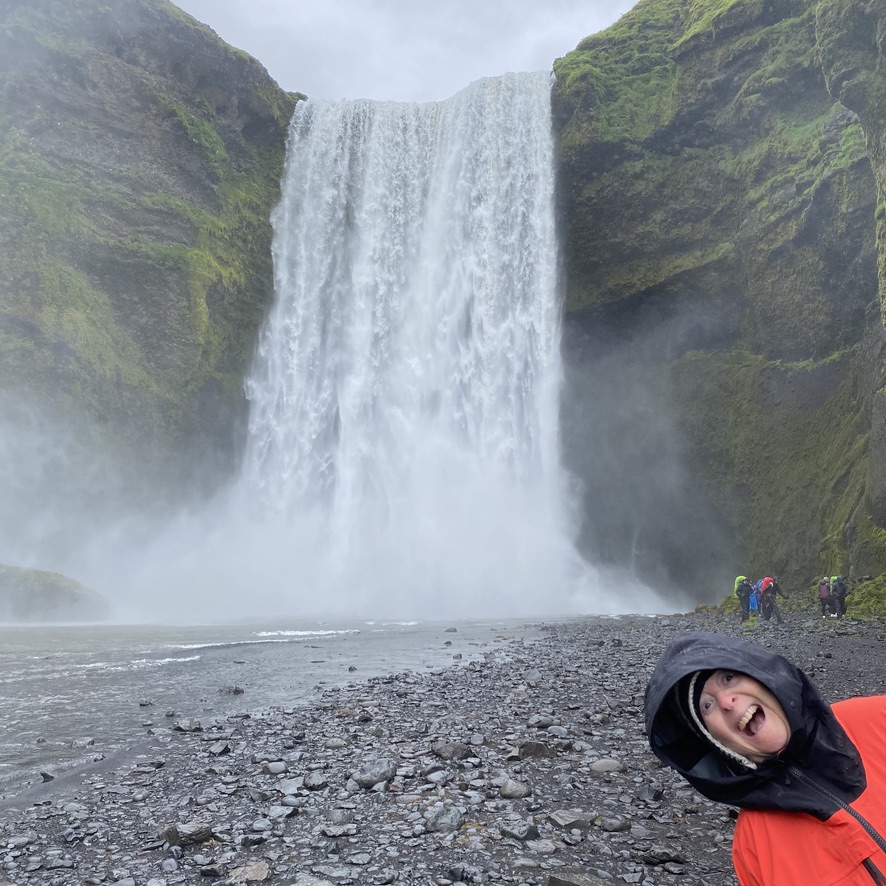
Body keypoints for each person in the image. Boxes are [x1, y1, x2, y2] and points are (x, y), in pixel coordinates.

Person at [645, 631, 886, 885]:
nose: (727, 701)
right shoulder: (753, 847)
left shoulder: (875, 718)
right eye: (707, 705)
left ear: (760, 675)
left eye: (728, 678)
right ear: (714, 740)